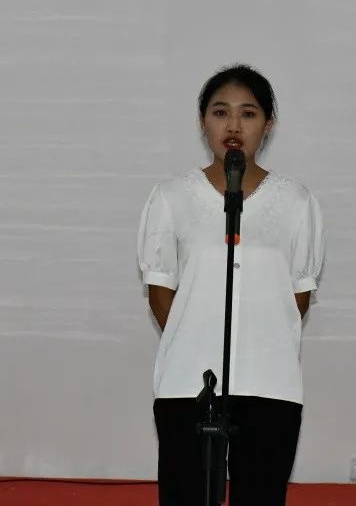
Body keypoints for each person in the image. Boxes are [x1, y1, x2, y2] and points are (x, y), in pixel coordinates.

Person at [137, 63, 326, 506]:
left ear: (268, 124)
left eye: (249, 113)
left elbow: (297, 295)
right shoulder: (171, 197)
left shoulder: (296, 202)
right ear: (203, 121)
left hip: (269, 381)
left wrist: (257, 344)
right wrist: (196, 343)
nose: (234, 126)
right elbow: (161, 291)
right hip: (189, 381)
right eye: (221, 112)